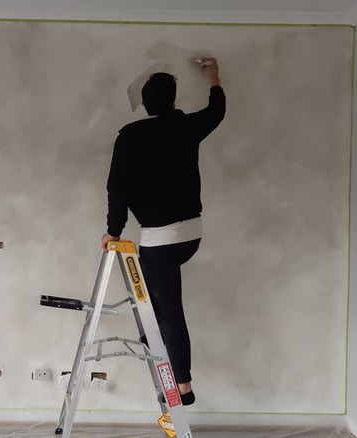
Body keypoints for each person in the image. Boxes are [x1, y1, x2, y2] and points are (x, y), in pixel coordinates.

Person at [101, 58, 226, 406]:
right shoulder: (185, 126)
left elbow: (117, 190)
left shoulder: (129, 137)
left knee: (169, 314)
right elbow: (217, 111)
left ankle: (182, 388)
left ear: (144, 100)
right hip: (192, 235)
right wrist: (213, 77)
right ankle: (175, 373)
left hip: (159, 241)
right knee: (161, 308)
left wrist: (113, 232)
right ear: (173, 99)